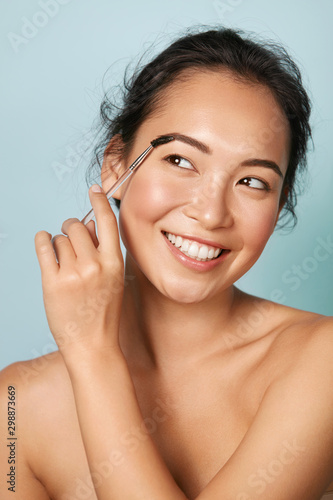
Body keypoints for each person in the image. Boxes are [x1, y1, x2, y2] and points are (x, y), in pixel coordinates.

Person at [1, 26, 333, 500]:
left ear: (278, 206)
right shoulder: (14, 406)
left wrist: (92, 354)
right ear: (117, 165)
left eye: (253, 182)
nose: (211, 212)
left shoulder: (322, 361)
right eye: (180, 161)